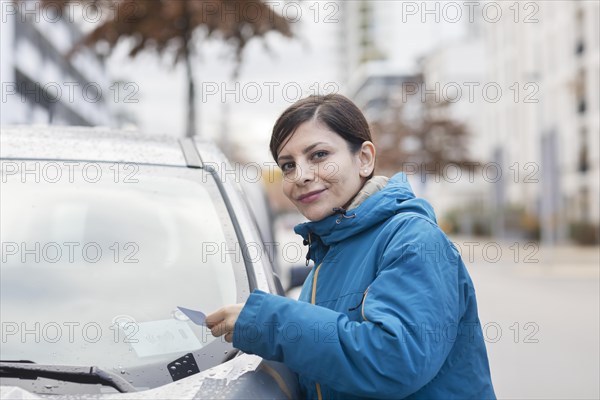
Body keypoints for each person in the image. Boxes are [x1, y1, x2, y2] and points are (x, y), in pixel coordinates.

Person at [206, 94, 496, 399]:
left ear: (365, 158)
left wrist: (269, 322)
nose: (301, 176)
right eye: (288, 165)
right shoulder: (327, 254)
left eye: (318, 155)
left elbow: (395, 361)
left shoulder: (414, 239)